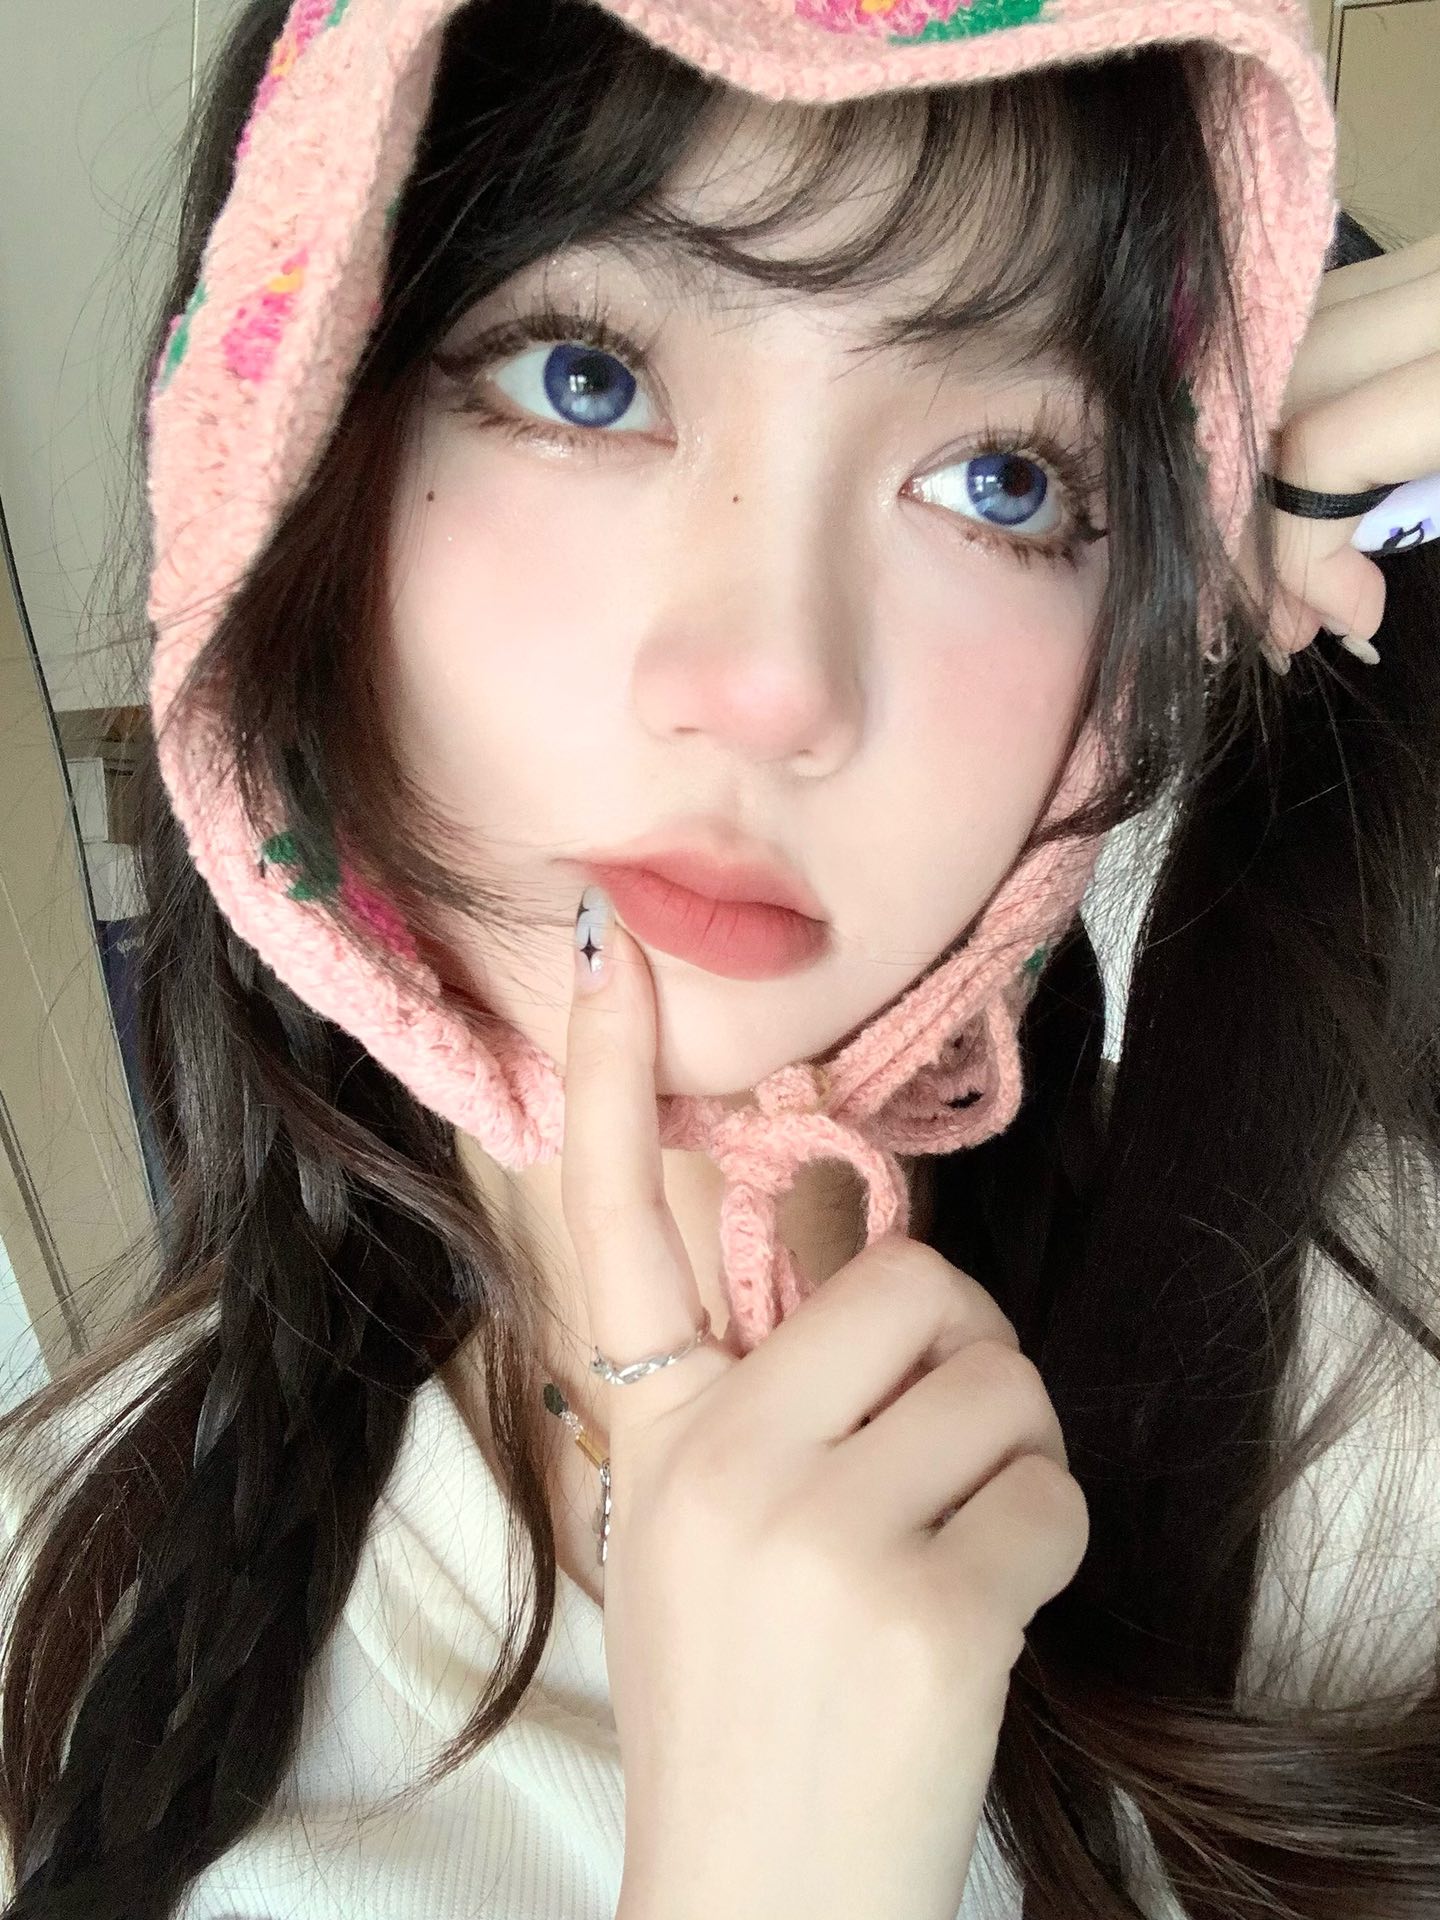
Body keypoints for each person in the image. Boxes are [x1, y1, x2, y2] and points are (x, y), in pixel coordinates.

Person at [1, 0, 1438, 1914]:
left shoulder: (1365, 1397)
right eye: (588, 380)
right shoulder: (55, 1599)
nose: (773, 684)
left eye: (1007, 484)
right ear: (290, 448)